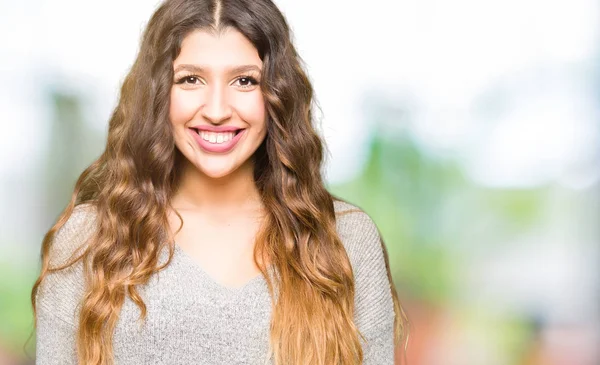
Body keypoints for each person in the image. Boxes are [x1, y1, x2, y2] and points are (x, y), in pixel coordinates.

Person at [31, 0, 409, 364]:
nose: (216, 110)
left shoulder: (344, 239)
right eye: (190, 79)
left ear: (276, 95)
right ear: (158, 94)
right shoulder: (90, 239)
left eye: (244, 81)